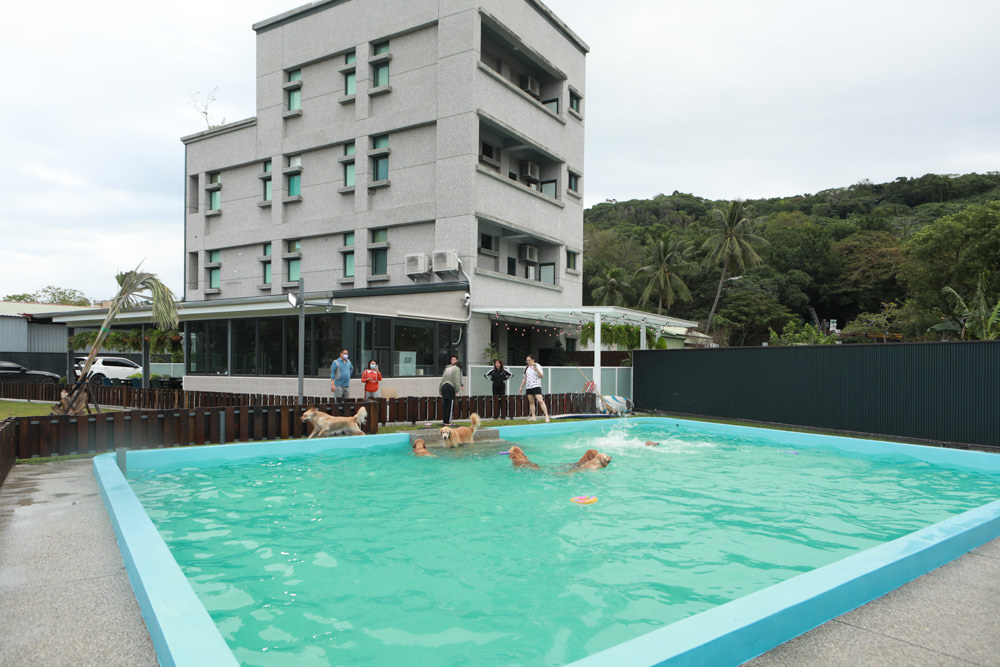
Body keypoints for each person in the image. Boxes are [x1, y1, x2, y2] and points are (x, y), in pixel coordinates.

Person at [517, 354, 550, 422]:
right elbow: (525, 378)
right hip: (529, 386)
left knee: (540, 401)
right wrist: (521, 387)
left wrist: (537, 370)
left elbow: (541, 376)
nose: (528, 362)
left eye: (529, 360)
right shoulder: (526, 367)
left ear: (533, 360)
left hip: (536, 385)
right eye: (527, 360)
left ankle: (546, 416)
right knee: (531, 402)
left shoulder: (537, 365)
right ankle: (533, 416)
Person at [439, 354, 463, 426]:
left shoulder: (447, 368)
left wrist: (440, 391)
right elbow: (457, 380)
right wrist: (457, 390)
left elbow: (442, 380)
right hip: (450, 387)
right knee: (450, 405)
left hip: (443, 387)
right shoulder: (457, 369)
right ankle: (449, 421)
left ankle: (445, 421)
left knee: (445, 405)